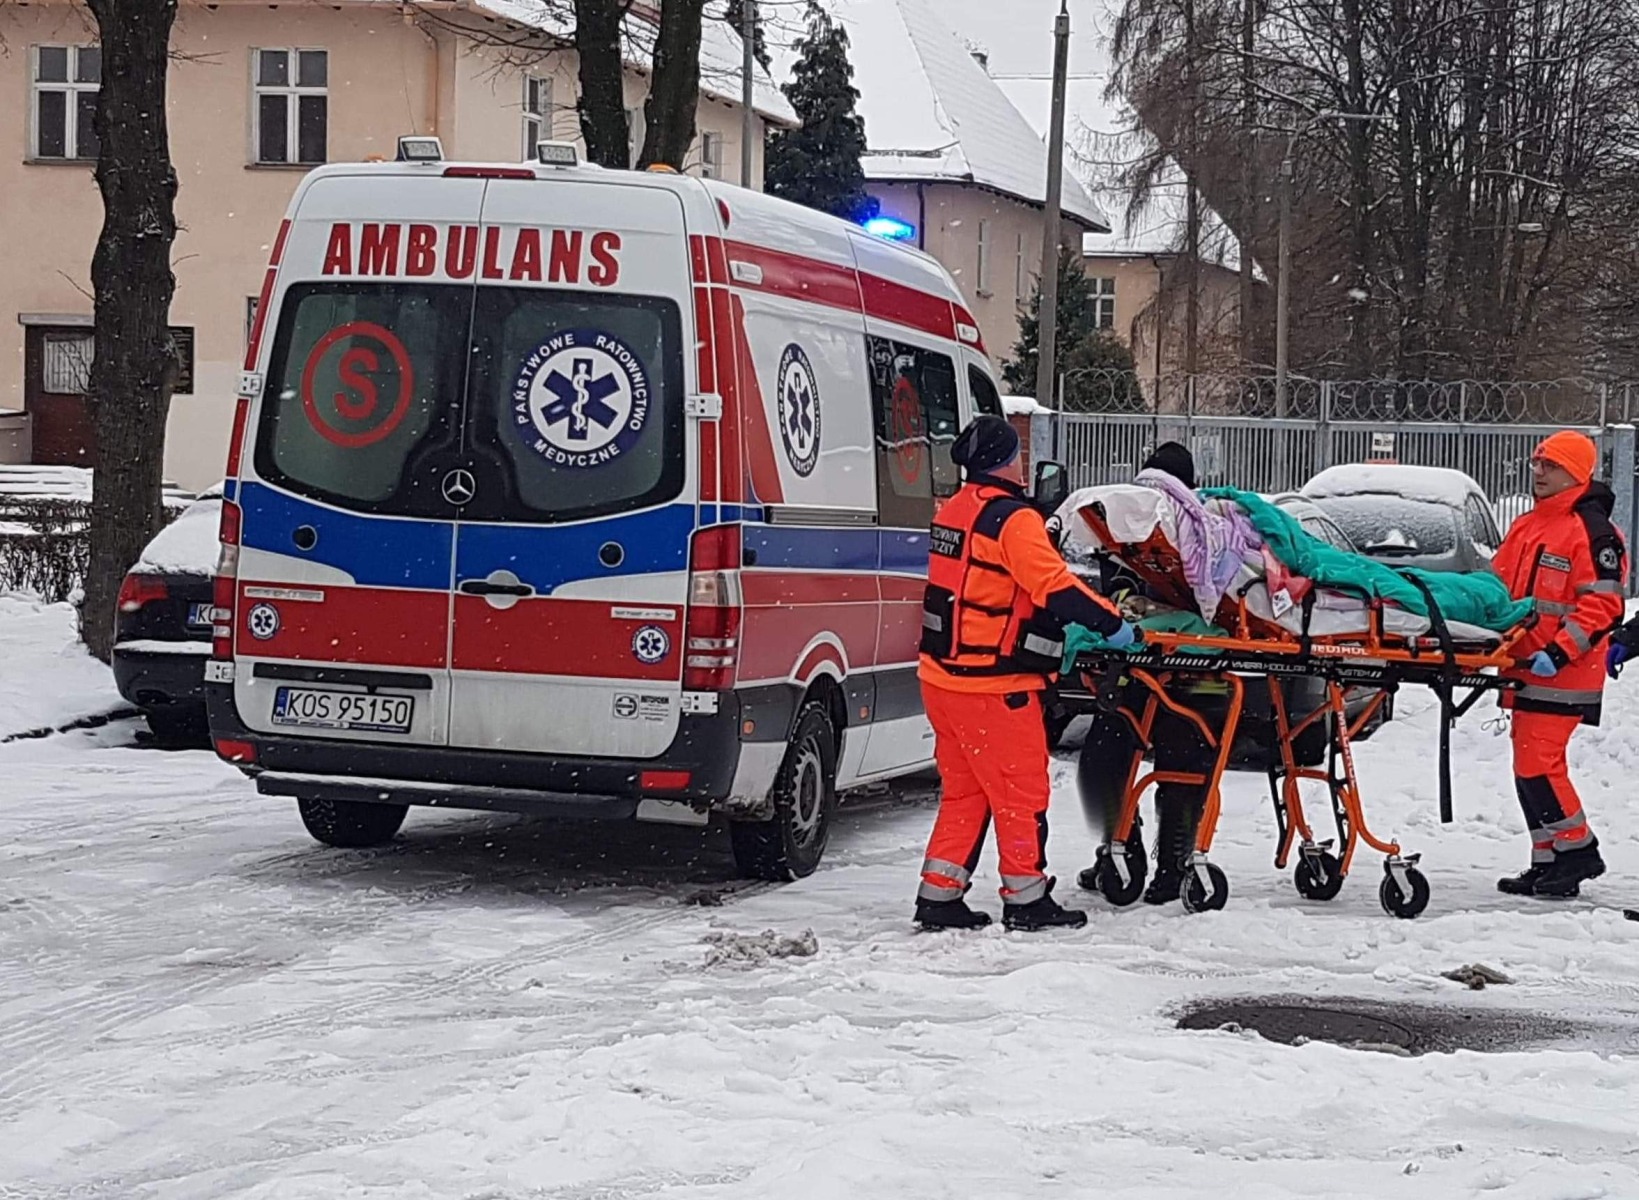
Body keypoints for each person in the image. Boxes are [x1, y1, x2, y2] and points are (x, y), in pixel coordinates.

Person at [915, 415, 1135, 932]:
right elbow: (1053, 586)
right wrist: (1113, 624)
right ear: (1005, 459)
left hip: (942, 677)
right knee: (1021, 793)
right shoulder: (1013, 520)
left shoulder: (956, 511)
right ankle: (1026, 898)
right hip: (994, 684)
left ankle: (939, 895)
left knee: (966, 792)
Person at [1072, 442, 1230, 905]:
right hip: (1138, 665)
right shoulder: (1123, 531)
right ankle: (1121, 850)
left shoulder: (1196, 531)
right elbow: (1113, 588)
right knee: (1107, 758)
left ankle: (1173, 863)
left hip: (1189, 668)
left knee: (1179, 761)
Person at [1492, 431, 1625, 898]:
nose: (1538, 472)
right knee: (1526, 765)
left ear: (1575, 472)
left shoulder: (1590, 531)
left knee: (1538, 764)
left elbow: (1604, 605)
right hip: (1526, 665)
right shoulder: (1528, 527)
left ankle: (1578, 851)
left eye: (1549, 465)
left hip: (1563, 671)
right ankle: (1548, 861)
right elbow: (1497, 590)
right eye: (1536, 463)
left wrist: (1559, 651)